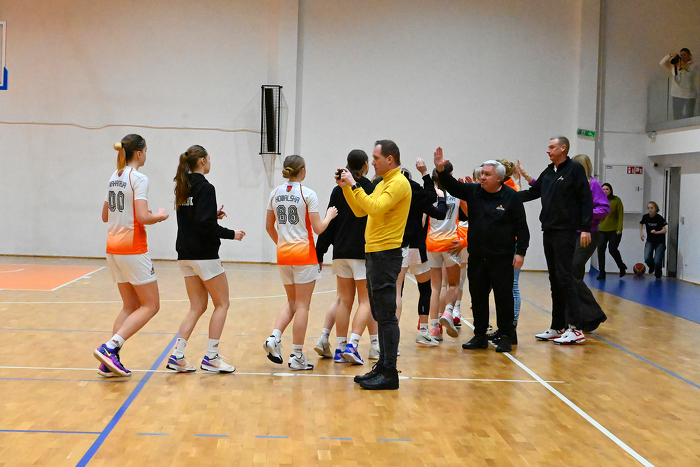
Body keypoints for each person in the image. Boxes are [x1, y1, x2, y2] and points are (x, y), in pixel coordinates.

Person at [433, 150, 529, 353]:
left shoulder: (511, 197)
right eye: (481, 173)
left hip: (502, 258)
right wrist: (441, 169)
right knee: (478, 297)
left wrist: (520, 252)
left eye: (486, 174)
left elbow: (522, 227)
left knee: (504, 298)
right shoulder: (473, 191)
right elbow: (452, 185)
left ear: (499, 178)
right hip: (478, 257)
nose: (482, 177)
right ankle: (480, 335)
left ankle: (506, 336)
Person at [337, 139, 411, 390]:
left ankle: (389, 372)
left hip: (386, 255)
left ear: (390, 159)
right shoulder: (382, 183)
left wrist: (354, 184)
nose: (373, 162)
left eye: (376, 158)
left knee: (386, 316)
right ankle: (382, 366)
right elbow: (362, 211)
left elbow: (376, 208)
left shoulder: (398, 182)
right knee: (379, 313)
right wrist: (346, 189)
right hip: (375, 254)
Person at [94, 134, 169, 377]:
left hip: (113, 248)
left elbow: (105, 216)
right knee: (151, 305)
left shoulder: (114, 176)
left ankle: (109, 361)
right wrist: (160, 215)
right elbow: (143, 217)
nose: (146, 155)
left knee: (130, 305)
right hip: (132, 248)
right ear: (138, 153)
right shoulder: (139, 178)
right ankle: (110, 347)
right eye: (145, 151)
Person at [166, 145, 245, 374]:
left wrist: (212, 214)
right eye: (208, 158)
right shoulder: (206, 187)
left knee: (197, 306)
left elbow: (195, 219)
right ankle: (211, 357)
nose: (210, 162)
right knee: (222, 304)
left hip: (184, 254)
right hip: (204, 255)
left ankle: (177, 355)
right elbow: (204, 225)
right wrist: (232, 234)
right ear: (202, 161)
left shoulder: (183, 185)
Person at [263, 155, 338, 371]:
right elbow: (319, 228)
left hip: (284, 255)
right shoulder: (308, 194)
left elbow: (269, 226)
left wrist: (282, 244)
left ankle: (274, 337)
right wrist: (329, 216)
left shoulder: (275, 193)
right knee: (303, 305)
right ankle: (297, 355)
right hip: (304, 255)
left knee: (292, 302)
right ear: (302, 170)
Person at [518, 137, 593, 345]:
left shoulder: (574, 169)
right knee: (554, 280)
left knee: (565, 278)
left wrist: (586, 228)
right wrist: (506, 196)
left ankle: (576, 328)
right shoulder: (549, 171)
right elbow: (534, 192)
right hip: (549, 230)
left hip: (566, 231)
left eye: (552, 147)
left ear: (563, 148)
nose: (548, 150)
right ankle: (557, 326)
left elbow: (586, 199)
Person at [314, 149, 378, 365]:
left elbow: (329, 224)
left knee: (343, 300)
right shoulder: (370, 188)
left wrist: (319, 252)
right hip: (362, 252)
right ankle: (354, 344)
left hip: (340, 252)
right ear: (366, 165)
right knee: (366, 300)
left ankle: (340, 348)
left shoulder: (338, 189)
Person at [399, 159, 446, 346]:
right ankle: (424, 331)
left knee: (396, 291)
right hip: (416, 247)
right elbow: (440, 213)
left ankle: (390, 337)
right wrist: (441, 198)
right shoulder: (418, 198)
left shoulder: (391, 197)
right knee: (425, 288)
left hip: (397, 246)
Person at [569, 154, 610, 332]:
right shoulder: (572, 186)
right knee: (571, 275)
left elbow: (604, 208)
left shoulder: (592, 184)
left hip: (588, 234)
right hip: (572, 234)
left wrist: (586, 215)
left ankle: (593, 314)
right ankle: (577, 318)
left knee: (572, 272)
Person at [426, 163, 464, 342]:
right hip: (451, 243)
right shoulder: (457, 193)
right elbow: (469, 215)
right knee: (453, 284)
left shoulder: (430, 194)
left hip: (432, 243)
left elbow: (423, 221)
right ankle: (448, 311)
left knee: (435, 287)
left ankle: (434, 327)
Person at [597, 183, 627, 279]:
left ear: (610, 190)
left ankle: (621, 266)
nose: (605, 191)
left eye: (607, 189)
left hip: (614, 230)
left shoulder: (616, 200)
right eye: (603, 189)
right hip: (601, 230)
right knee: (600, 250)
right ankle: (602, 272)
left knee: (612, 249)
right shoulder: (598, 200)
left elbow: (620, 215)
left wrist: (619, 229)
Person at [660, 48, 699, 120]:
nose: (682, 57)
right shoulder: (675, 66)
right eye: (681, 55)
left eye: (684, 55)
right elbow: (661, 63)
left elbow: (687, 76)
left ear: (690, 55)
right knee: (677, 117)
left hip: (689, 95)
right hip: (676, 94)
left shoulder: (693, 66)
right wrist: (671, 55)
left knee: (689, 117)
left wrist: (680, 67)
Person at [640, 201, 667, 279]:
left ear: (655, 209)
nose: (650, 210)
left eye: (652, 208)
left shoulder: (659, 218)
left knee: (657, 261)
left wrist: (656, 232)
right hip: (650, 241)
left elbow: (664, 230)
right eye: (648, 208)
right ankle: (651, 267)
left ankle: (658, 274)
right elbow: (641, 224)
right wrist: (641, 233)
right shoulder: (645, 217)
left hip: (660, 242)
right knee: (647, 258)